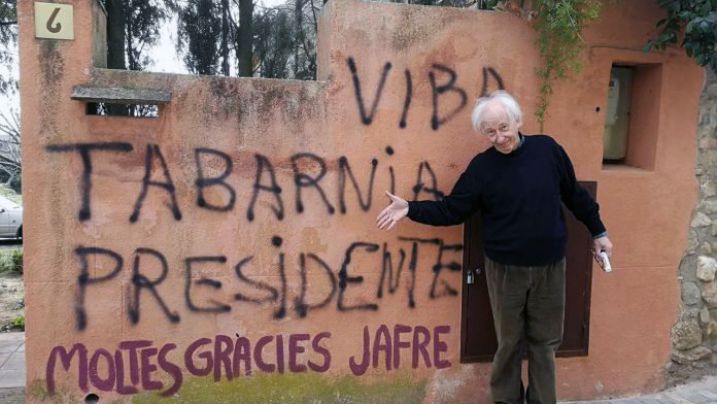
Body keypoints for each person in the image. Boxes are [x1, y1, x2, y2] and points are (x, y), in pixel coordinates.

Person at [376, 90, 613, 404]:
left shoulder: (548, 150)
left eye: (504, 127)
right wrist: (411, 208)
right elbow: (452, 210)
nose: (499, 137)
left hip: (550, 267)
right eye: (490, 132)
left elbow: (575, 196)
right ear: (482, 133)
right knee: (509, 344)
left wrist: (598, 232)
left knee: (545, 344)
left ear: (518, 120)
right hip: (505, 270)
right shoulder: (482, 168)